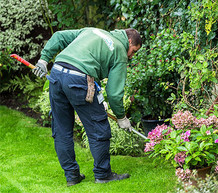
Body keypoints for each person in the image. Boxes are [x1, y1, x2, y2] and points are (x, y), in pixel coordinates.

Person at [33, 27, 142, 186]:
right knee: (99, 128)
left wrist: (44, 59)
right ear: (129, 41)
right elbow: (114, 93)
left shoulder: (92, 31)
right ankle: (103, 174)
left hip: (56, 74)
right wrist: (121, 117)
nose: (131, 56)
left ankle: (72, 177)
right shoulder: (119, 49)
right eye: (133, 51)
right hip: (79, 79)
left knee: (62, 129)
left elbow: (59, 36)